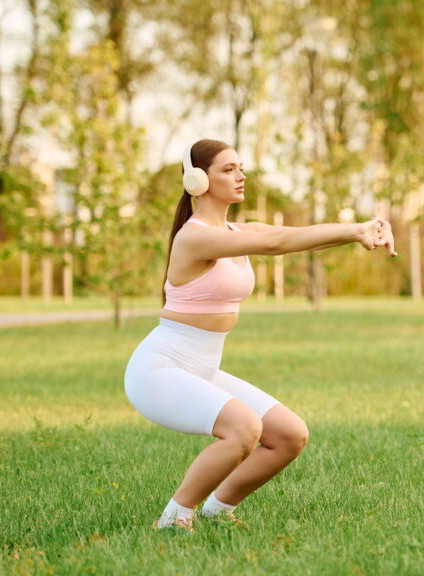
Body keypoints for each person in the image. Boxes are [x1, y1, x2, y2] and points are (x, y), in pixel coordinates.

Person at [124, 138, 396, 531]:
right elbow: (276, 243)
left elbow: (295, 237)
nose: (241, 176)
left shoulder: (236, 230)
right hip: (160, 370)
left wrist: (359, 232)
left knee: (289, 435)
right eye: (228, 169)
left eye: (240, 167)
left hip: (201, 367)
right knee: (244, 430)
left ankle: (218, 511)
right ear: (198, 180)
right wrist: (354, 228)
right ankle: (174, 519)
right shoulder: (195, 236)